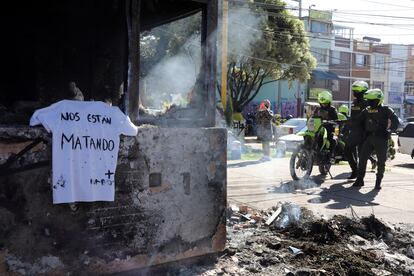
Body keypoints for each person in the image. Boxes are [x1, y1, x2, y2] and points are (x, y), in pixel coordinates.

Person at [352, 89, 399, 190]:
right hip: (369, 138)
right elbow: (356, 120)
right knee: (362, 158)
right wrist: (345, 122)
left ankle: (378, 182)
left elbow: (395, 120)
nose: (370, 102)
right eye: (369, 100)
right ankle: (360, 180)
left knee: (381, 161)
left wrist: (390, 130)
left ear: (379, 100)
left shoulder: (386, 109)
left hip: (381, 139)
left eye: (372, 100)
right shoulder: (367, 110)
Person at [344, 81, 369, 179]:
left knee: (362, 156)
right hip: (354, 132)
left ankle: (360, 177)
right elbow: (352, 117)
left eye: (356, 91)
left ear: (363, 92)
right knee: (347, 150)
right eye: (354, 90)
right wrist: (346, 126)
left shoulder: (367, 103)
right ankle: (355, 170)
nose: (354, 92)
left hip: (363, 132)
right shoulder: (354, 103)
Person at [312, 91, 338, 157]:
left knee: (332, 140)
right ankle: (307, 149)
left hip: (328, 129)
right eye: (322, 103)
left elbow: (336, 119)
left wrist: (331, 121)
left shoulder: (332, 109)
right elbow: (313, 117)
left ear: (329, 102)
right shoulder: (317, 109)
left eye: (325, 103)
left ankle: (331, 155)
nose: (324, 105)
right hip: (317, 128)